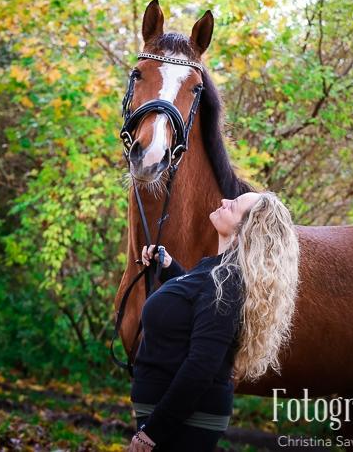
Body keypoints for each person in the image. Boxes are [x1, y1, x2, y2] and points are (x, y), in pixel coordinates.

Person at [128, 190, 300, 452]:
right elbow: (196, 306)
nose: (223, 202)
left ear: (246, 230)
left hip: (184, 423)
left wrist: (151, 433)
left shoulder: (227, 282)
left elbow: (201, 367)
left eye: (234, 205)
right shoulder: (214, 270)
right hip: (170, 414)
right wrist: (169, 268)